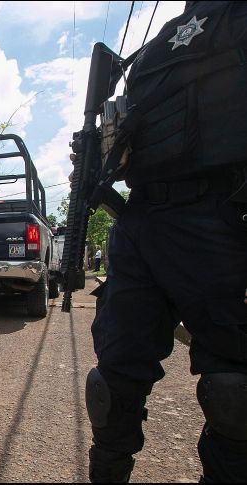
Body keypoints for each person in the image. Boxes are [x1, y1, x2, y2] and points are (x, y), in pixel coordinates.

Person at [79, 1, 247, 482]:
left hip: (223, 216)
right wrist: (95, 163)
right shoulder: (152, 54)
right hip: (142, 223)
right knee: (111, 386)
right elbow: (128, 147)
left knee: (234, 393)